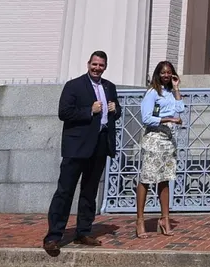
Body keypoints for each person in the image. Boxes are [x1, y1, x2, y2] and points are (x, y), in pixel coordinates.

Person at [44, 51, 120, 255]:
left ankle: (83, 231)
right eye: (94, 64)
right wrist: (89, 110)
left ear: (105, 67)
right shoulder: (74, 85)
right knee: (65, 190)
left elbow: (116, 112)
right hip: (77, 147)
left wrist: (115, 109)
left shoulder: (109, 87)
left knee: (89, 191)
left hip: (100, 145)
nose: (97, 68)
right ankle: (53, 236)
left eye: (101, 65)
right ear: (88, 64)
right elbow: (64, 113)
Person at [135, 60, 183, 238]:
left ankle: (165, 218)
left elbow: (180, 109)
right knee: (147, 178)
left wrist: (176, 88)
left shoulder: (170, 92)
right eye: (163, 72)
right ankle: (140, 220)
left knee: (165, 179)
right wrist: (167, 119)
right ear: (157, 73)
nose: (166, 75)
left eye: (169, 72)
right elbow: (146, 118)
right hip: (154, 139)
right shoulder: (152, 93)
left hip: (168, 140)